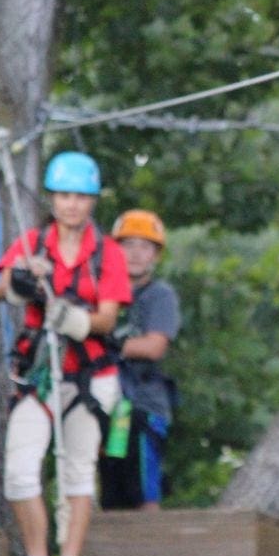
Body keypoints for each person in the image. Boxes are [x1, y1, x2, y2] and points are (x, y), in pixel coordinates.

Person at [0, 150, 131, 556]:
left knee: (77, 471)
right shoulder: (33, 245)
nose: (71, 204)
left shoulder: (106, 255)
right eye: (64, 195)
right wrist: (21, 281)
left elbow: (108, 318)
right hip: (40, 376)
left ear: (91, 202)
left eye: (80, 197)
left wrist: (68, 317)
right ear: (53, 199)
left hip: (89, 377)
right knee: (20, 469)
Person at [98, 209, 181, 511]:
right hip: (112, 407)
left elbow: (154, 346)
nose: (135, 253)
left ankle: (153, 552)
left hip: (143, 406)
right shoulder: (104, 295)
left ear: (156, 255)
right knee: (113, 487)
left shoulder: (158, 295)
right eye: (128, 244)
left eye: (144, 246)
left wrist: (108, 342)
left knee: (144, 488)